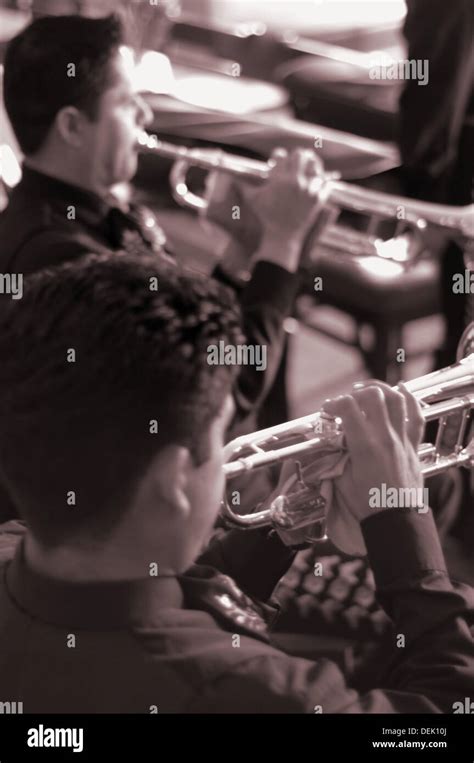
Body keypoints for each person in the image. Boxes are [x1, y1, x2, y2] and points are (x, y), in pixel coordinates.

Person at [0, 252, 472, 714]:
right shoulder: (253, 692)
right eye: (223, 430)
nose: (237, 447)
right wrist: (402, 514)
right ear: (172, 481)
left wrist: (281, 526)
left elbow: (155, 594)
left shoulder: (16, 543)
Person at [0, 13, 324, 520]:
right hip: (124, 524)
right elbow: (223, 393)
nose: (147, 116)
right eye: (128, 103)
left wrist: (240, 255)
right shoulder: (64, 256)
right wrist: (281, 244)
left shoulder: (86, 214)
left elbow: (191, 342)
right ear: (71, 126)